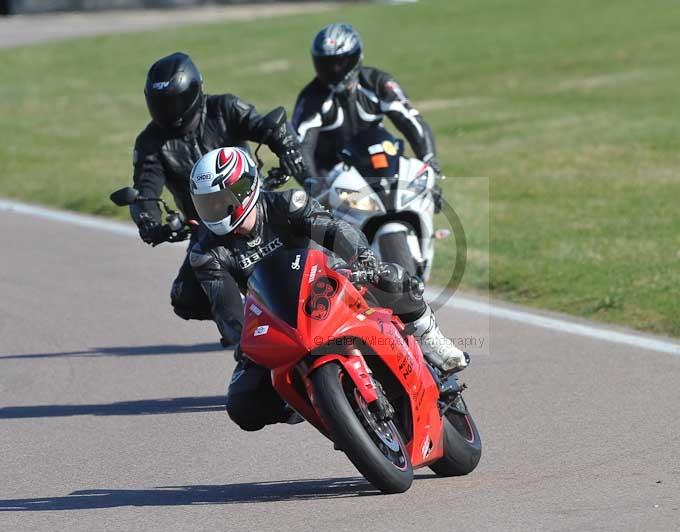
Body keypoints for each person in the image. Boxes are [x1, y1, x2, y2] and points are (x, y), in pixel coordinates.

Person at [188, 147, 468, 431]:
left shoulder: (288, 204)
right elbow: (226, 309)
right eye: (207, 204)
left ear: (245, 190)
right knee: (242, 404)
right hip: (282, 319)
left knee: (392, 277)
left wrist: (362, 258)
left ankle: (432, 341)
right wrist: (244, 344)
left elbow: (333, 228)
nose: (214, 210)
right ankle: (319, 405)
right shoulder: (206, 253)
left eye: (220, 201)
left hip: (330, 284)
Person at [129, 52, 306, 329]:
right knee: (185, 298)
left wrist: (286, 148)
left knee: (310, 236)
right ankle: (246, 326)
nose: (168, 110)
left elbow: (264, 127)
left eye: (173, 102)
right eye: (160, 104)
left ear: (193, 93)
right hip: (206, 225)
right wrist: (148, 220)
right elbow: (145, 188)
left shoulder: (225, 108)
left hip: (254, 209)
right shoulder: (151, 142)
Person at [292, 23, 442, 194]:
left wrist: (428, 159)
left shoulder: (378, 83)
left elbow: (412, 121)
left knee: (421, 197)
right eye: (326, 64)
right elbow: (301, 146)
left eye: (340, 63)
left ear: (355, 58)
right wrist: (312, 183)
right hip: (334, 178)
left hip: (379, 164)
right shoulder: (311, 98)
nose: (333, 70)